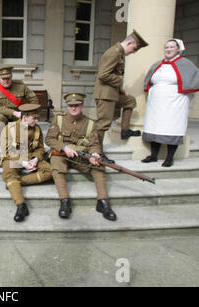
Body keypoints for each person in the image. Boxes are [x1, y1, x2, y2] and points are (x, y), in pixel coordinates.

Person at [45, 93, 117, 221]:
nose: (74, 108)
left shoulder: (90, 123)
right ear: (67, 106)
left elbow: (94, 143)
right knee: (56, 164)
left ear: (82, 105)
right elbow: (49, 139)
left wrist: (95, 154)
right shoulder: (59, 120)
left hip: (81, 156)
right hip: (62, 154)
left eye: (77, 105)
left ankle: (103, 202)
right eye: (71, 105)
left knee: (98, 165)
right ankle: (65, 201)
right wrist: (64, 147)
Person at [142, 39, 199, 167]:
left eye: (172, 47)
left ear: (178, 49)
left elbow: (194, 79)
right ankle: (153, 155)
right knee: (154, 126)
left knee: (171, 127)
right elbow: (149, 80)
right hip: (156, 103)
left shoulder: (186, 64)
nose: (168, 49)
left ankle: (169, 158)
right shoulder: (157, 64)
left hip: (175, 103)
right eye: (166, 47)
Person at [93, 29, 148, 161]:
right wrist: (120, 81)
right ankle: (97, 152)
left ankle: (124, 130)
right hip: (105, 94)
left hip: (112, 93)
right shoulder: (114, 53)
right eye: (134, 49)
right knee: (103, 124)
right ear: (129, 43)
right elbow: (103, 75)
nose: (134, 52)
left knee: (130, 101)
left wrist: (121, 90)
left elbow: (113, 73)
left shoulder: (120, 54)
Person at [0, 104, 52, 222]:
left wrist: (36, 159)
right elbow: (7, 151)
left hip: (31, 156)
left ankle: (14, 184)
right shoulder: (9, 128)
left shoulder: (37, 129)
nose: (37, 121)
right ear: (24, 117)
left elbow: (40, 148)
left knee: (51, 170)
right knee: (9, 172)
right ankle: (21, 205)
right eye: (34, 118)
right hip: (14, 157)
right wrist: (23, 163)